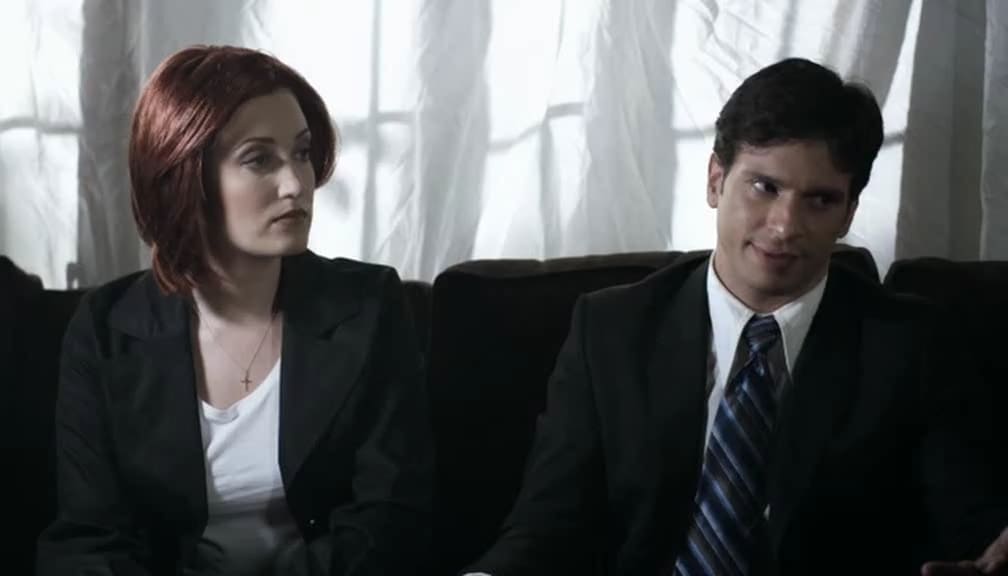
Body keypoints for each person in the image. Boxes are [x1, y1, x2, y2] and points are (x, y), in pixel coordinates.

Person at [463, 58, 1006, 575]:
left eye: (819, 200)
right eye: (764, 187)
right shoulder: (611, 331)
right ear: (715, 180)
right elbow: (546, 526)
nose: (784, 225)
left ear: (848, 213)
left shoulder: (910, 344)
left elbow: (972, 521)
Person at [36, 45, 433, 575]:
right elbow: (90, 538)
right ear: (185, 176)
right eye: (259, 159)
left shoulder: (368, 305)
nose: (296, 184)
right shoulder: (105, 330)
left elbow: (389, 518)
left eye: (301, 152)